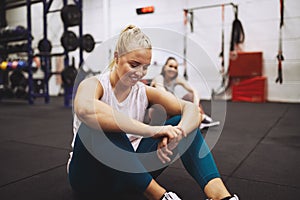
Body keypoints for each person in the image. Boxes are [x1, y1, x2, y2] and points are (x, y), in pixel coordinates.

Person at [67, 25, 239, 200]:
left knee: (182, 123)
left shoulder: (143, 91)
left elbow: (192, 110)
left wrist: (178, 135)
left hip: (131, 177)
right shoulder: (93, 84)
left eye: (145, 67)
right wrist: (152, 131)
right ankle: (161, 196)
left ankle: (221, 196)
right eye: (134, 65)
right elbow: (86, 109)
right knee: (96, 127)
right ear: (117, 57)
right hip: (91, 179)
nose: (139, 73)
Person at [150, 57, 220, 129]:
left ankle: (199, 117)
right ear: (164, 67)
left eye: (175, 67)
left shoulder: (176, 78)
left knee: (190, 96)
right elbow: (163, 95)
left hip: (170, 105)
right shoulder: (159, 78)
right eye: (170, 66)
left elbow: (194, 91)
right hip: (160, 109)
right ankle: (198, 118)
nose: (173, 69)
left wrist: (195, 107)